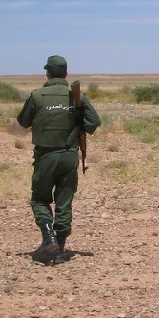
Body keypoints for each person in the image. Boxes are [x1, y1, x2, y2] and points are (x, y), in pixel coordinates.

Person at [17, 55, 101, 264]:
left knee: (39, 199)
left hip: (45, 156)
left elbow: (23, 121)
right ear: (65, 72)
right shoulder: (77, 97)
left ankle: (48, 238)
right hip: (69, 156)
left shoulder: (37, 96)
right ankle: (59, 246)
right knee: (64, 200)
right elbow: (94, 123)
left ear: (47, 72)